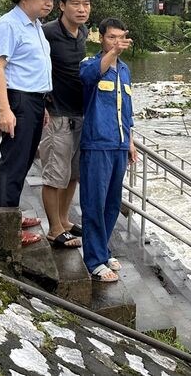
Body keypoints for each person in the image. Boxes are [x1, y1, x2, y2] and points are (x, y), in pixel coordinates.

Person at [0, 0, 61, 247]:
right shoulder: (8, 25)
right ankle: (6, 230)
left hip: (34, 100)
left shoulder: (35, 26)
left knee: (25, 160)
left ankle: (12, 216)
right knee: (14, 162)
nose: (49, 2)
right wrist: (4, 110)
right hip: (18, 100)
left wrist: (42, 104)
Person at [79, 17, 137, 282]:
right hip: (97, 143)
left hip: (119, 144)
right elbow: (89, 77)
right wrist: (112, 53)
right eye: (111, 37)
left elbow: (127, 110)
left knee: (112, 203)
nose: (116, 42)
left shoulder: (124, 70)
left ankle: (103, 251)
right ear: (101, 38)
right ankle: (94, 260)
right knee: (94, 202)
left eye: (120, 37)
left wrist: (130, 142)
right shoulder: (90, 64)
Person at [39, 0, 92, 248]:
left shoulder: (82, 32)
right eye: (76, 4)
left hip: (79, 112)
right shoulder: (47, 32)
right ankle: (54, 229)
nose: (82, 9)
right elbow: (33, 65)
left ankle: (64, 219)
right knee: (54, 174)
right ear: (62, 6)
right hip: (56, 113)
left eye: (86, 4)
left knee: (72, 174)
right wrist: (41, 103)